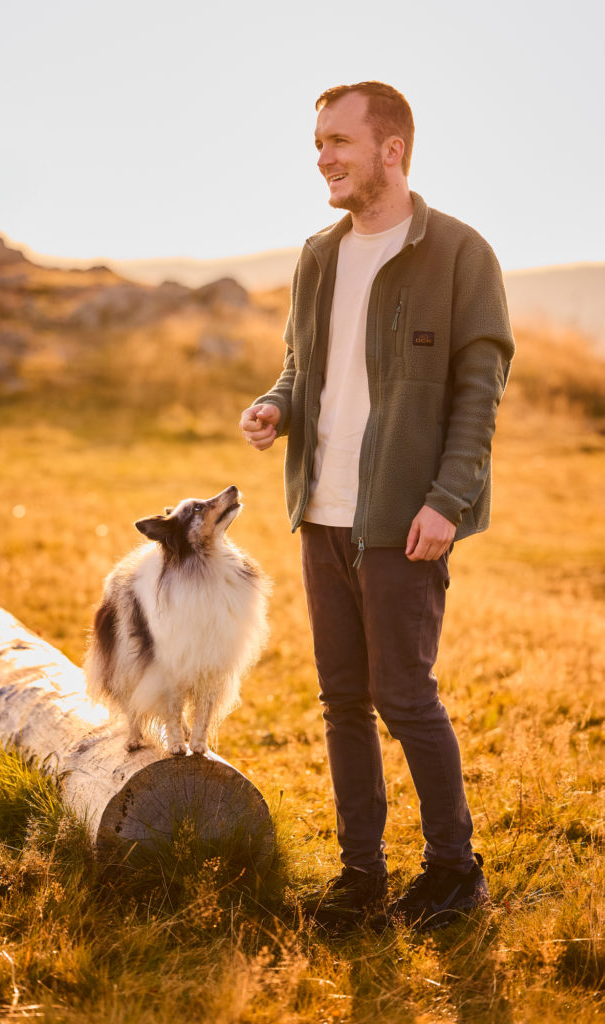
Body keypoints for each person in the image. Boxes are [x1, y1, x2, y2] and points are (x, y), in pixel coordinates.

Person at [240, 81, 514, 930]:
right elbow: (301, 366)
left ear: (391, 149)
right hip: (320, 514)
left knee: (405, 697)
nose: (322, 156)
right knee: (341, 701)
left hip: (404, 521)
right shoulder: (318, 256)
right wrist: (277, 406)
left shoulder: (460, 254)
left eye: (338, 142)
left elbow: (480, 393)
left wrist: (446, 500)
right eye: (318, 142)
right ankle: (363, 876)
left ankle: (453, 870)